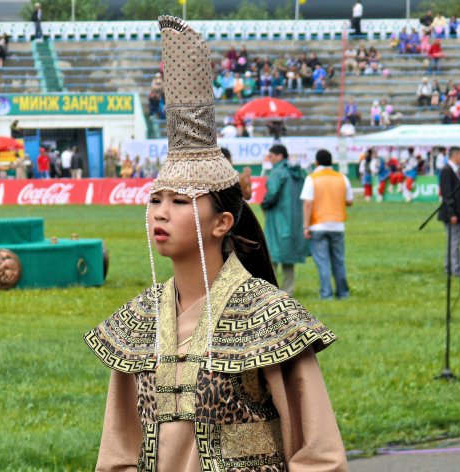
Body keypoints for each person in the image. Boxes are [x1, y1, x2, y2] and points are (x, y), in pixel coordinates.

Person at [85, 17, 347, 472]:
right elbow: (117, 456)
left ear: (222, 221)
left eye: (180, 201)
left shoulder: (271, 318)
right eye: (156, 200)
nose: (160, 212)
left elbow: (319, 456)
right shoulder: (137, 324)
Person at [301, 149, 353, 300]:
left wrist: (306, 225)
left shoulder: (312, 178)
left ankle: (326, 294)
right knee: (339, 261)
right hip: (338, 225)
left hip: (317, 225)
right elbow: (349, 201)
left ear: (316, 162)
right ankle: (343, 293)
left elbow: (307, 203)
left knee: (323, 262)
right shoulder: (342, 178)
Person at [260, 144, 310, 296]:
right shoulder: (299, 172)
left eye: (272, 156)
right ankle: (289, 290)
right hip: (294, 219)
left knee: (272, 254)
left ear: (280, 156)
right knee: (288, 257)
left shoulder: (278, 172)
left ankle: (272, 289)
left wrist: (265, 203)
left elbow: (272, 194)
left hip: (277, 217)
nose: (270, 159)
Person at [438, 147, 460, 277]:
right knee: (454, 242)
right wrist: (451, 213)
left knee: (453, 241)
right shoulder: (447, 171)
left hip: (458, 211)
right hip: (452, 212)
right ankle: (454, 269)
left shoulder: (456, 170)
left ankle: (450, 266)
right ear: (455, 155)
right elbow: (447, 193)